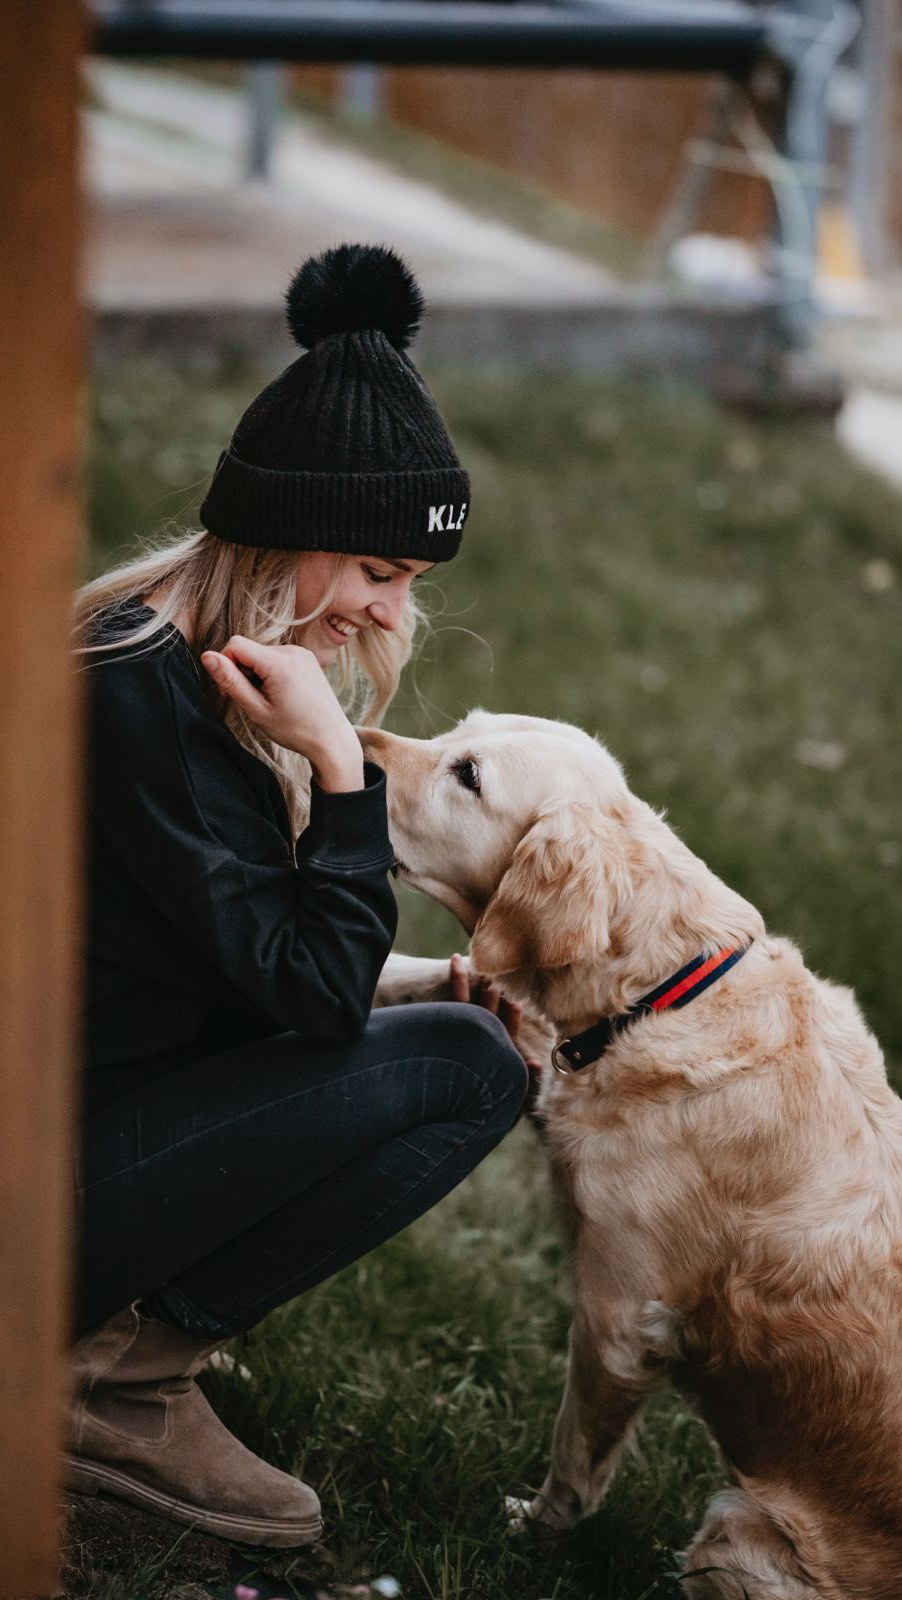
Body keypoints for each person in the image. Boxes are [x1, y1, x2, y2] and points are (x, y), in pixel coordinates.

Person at [69, 243, 529, 1549]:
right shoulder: (140, 697)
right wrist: (340, 774)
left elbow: (230, 954)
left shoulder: (181, 666)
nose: (388, 619)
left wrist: (432, 974)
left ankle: (122, 1352)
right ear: (291, 526)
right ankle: (106, 1381)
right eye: (378, 575)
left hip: (98, 1112)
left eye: (408, 588)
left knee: (464, 1028)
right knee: (460, 1067)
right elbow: (310, 994)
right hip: (34, 1195)